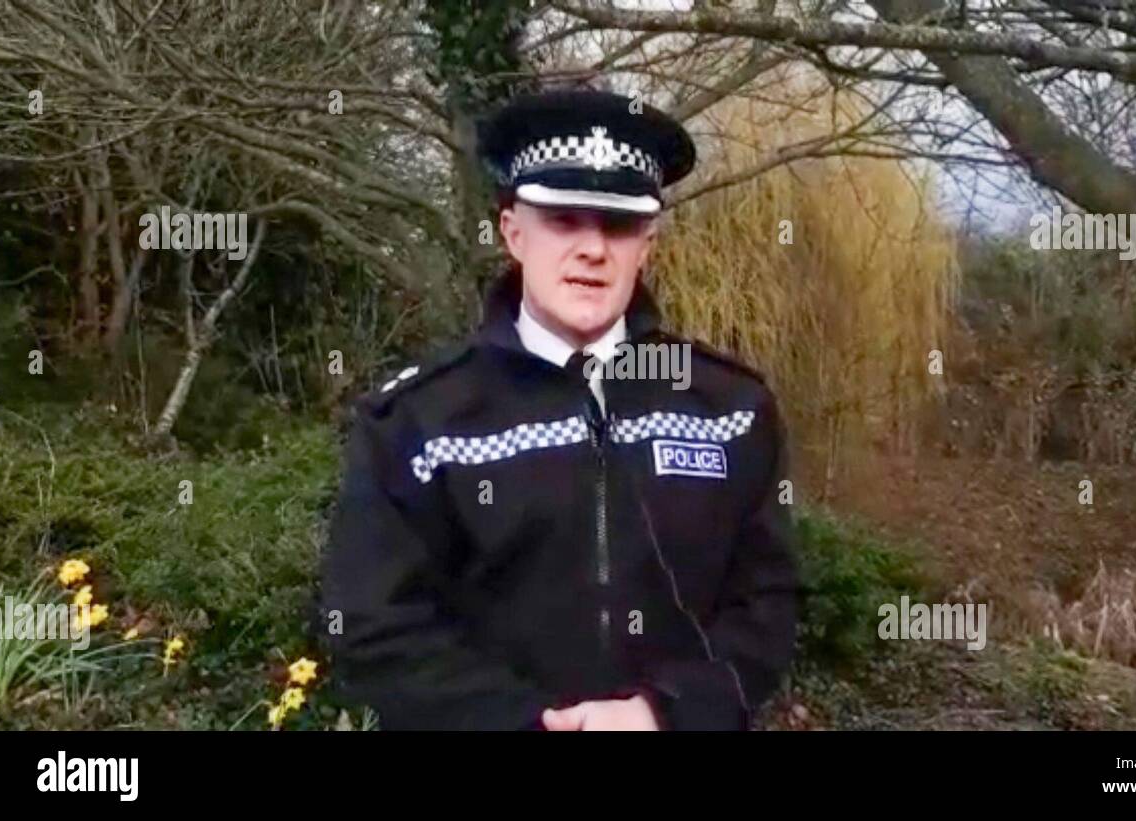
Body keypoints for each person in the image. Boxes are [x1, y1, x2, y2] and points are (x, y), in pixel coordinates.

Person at [321, 88, 797, 730]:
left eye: (618, 224)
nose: (593, 250)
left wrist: (666, 711)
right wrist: (531, 724)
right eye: (565, 220)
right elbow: (372, 624)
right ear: (513, 231)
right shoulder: (416, 421)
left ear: (648, 242)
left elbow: (768, 604)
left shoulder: (730, 407)